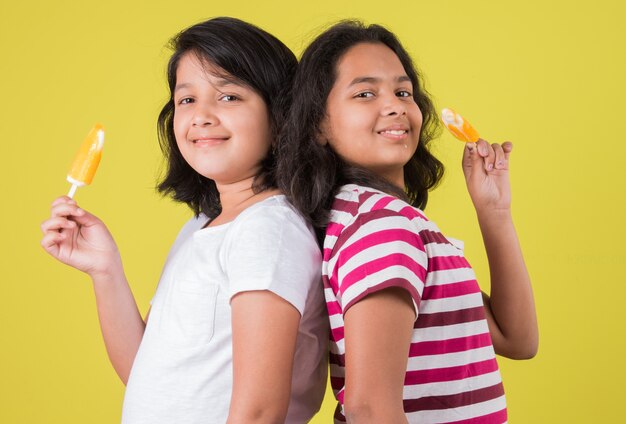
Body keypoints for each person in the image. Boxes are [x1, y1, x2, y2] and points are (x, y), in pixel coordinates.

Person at [40, 17, 328, 423]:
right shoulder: (200, 228)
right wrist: (105, 270)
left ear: (280, 116)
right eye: (187, 100)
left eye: (228, 97)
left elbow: (260, 410)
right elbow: (145, 375)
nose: (202, 116)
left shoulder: (268, 232)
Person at [277, 20, 538, 423]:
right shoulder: (382, 226)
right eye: (365, 93)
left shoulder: (387, 220)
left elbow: (516, 338)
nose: (395, 105)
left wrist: (495, 212)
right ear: (319, 125)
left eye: (403, 92)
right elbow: (369, 408)